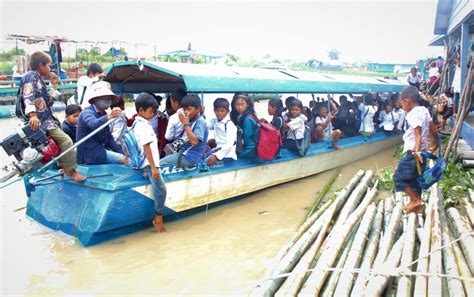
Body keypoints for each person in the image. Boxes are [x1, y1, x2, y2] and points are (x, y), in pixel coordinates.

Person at [17, 51, 85, 181]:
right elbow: (27, 95)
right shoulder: (32, 76)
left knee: (59, 143)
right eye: (48, 66)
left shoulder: (38, 79)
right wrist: (33, 115)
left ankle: (63, 167)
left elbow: (47, 103)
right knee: (66, 141)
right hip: (43, 122)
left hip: (47, 121)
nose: (50, 69)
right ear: (41, 65)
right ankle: (70, 171)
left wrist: (54, 86)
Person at [393, 86, 439, 213]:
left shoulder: (412, 114)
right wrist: (436, 144)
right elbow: (433, 130)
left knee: (398, 178)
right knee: (415, 179)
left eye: (402, 103)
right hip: (422, 152)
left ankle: (415, 200)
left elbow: (418, 135)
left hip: (413, 153)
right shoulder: (424, 111)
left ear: (407, 101)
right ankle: (417, 206)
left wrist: (417, 152)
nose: (402, 106)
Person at [132, 93, 167, 232]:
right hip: (148, 163)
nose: (153, 114)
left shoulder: (138, 123)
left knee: (159, 187)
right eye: (151, 111)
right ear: (141, 110)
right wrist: (153, 167)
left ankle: (158, 217)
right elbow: (146, 146)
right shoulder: (143, 125)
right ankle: (158, 217)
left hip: (145, 162)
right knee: (161, 189)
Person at [76, 81, 126, 165]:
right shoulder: (87, 112)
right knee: (125, 160)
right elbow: (93, 124)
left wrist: (122, 152)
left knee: (126, 158)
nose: (107, 101)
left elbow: (109, 139)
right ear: (96, 99)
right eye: (105, 98)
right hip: (89, 153)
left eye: (109, 98)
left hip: (101, 151)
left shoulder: (104, 114)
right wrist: (109, 116)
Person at [160, 94, 208, 168]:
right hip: (184, 154)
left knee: (159, 164)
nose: (186, 112)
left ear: (198, 108)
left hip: (191, 158)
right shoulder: (192, 120)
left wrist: (185, 124)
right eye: (184, 109)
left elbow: (195, 142)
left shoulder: (200, 122)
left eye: (189, 109)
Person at [206, 98, 237, 166]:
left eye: (222, 111)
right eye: (217, 111)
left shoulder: (229, 125)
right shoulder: (214, 121)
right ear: (214, 111)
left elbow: (229, 144)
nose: (219, 113)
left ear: (227, 111)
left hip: (227, 155)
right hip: (217, 150)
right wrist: (201, 113)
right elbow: (207, 126)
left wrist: (217, 156)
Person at [230, 94, 259, 159]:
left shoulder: (247, 119)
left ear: (247, 105)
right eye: (237, 104)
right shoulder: (240, 116)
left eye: (243, 104)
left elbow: (249, 141)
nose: (240, 107)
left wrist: (241, 154)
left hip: (251, 149)